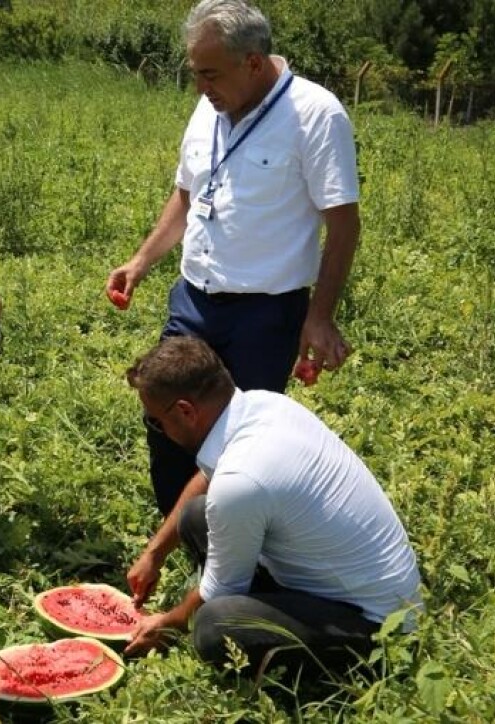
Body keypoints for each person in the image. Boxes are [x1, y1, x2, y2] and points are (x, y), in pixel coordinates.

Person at [105, 0, 363, 517]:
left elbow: (343, 224)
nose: (201, 86)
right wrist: (141, 262)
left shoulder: (315, 114)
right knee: (163, 416)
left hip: (264, 314)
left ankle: (228, 561)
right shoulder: (211, 105)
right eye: (195, 73)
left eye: (209, 73)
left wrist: (320, 317)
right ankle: (178, 535)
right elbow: (185, 196)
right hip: (193, 300)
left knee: (236, 446)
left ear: (252, 61)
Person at [123, 336, 421, 679]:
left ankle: (355, 664)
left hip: (378, 626)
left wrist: (169, 623)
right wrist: (154, 553)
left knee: (213, 625)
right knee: (195, 516)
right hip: (359, 584)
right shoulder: (265, 405)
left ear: (186, 411)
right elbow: (208, 479)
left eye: (156, 422)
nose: (158, 430)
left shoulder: (241, 481)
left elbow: (220, 591)